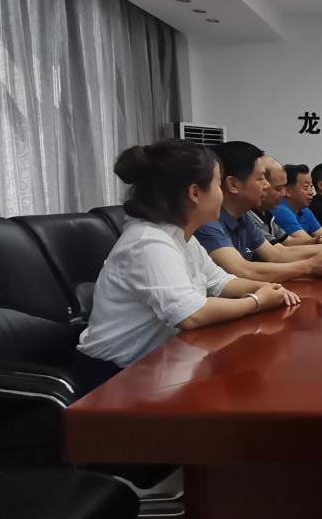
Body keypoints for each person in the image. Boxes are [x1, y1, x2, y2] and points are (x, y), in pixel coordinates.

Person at [73, 139, 299, 394]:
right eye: (217, 184)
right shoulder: (148, 242)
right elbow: (190, 314)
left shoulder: (180, 236)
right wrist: (257, 301)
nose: (221, 194)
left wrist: (268, 289)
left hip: (161, 363)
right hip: (113, 378)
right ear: (194, 193)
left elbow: (221, 282)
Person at [196, 142, 322, 281]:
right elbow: (242, 270)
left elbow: (275, 254)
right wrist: (310, 266)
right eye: (261, 178)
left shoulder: (243, 216)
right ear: (232, 185)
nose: (267, 185)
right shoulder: (206, 221)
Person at [274, 164, 322, 244]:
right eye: (306, 187)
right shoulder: (280, 210)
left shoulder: (305, 210)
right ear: (287, 191)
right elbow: (309, 242)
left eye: (311, 187)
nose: (311, 192)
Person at [249, 156, 290, 244]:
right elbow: (277, 251)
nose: (284, 194)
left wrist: (318, 240)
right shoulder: (248, 217)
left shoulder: (267, 214)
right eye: (278, 189)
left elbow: (287, 241)